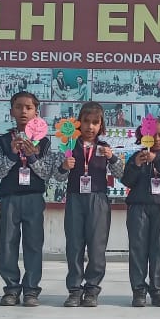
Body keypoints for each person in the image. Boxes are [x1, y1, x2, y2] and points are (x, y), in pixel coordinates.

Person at [56, 101, 125, 307]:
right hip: (75, 199)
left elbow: (121, 174)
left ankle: (92, 289)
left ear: (101, 125)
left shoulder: (104, 148)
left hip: (98, 200)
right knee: (74, 246)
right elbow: (58, 178)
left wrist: (112, 158)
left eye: (95, 122)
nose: (90, 126)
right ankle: (74, 290)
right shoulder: (69, 146)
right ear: (79, 123)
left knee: (97, 247)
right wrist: (64, 166)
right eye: (86, 121)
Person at [0, 91, 54, 307]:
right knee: (7, 243)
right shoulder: (2, 141)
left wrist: (32, 156)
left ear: (36, 112)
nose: (23, 111)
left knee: (33, 244)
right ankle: (11, 289)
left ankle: (31, 290)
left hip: (33, 198)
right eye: (18, 107)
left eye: (29, 108)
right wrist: (12, 154)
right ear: (11, 111)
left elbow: (47, 173)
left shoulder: (44, 142)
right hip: (10, 198)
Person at [122, 118, 160, 307]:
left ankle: (157, 290)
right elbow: (127, 180)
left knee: (159, 249)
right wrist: (136, 165)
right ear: (143, 137)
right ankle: (138, 290)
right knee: (137, 249)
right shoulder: (136, 157)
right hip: (138, 207)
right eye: (152, 135)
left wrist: (157, 160)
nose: (157, 139)